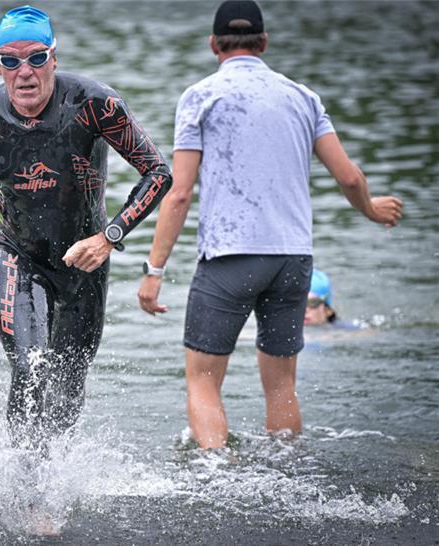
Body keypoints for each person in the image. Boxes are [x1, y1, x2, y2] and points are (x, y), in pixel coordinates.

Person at [137, 0, 403, 449]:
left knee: (203, 382)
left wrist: (154, 271)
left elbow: (179, 193)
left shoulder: (200, 96)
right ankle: (288, 472)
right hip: (293, 259)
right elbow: (350, 177)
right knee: (281, 387)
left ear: (212, 45)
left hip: (230, 257)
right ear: (263, 43)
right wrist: (371, 211)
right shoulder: (303, 97)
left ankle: (219, 478)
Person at [0, 5, 172, 452]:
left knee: (68, 381)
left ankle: (53, 470)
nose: (24, 73)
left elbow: (157, 173)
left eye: (36, 58)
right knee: (30, 367)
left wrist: (110, 237)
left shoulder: (94, 104)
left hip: (83, 259)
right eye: (11, 61)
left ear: (54, 58)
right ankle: (30, 489)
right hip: (17, 252)